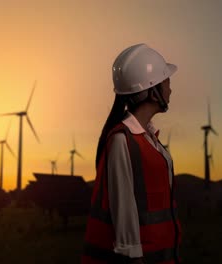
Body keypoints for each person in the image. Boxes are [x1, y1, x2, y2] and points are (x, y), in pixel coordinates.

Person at [82, 43, 181, 264]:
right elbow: (124, 211)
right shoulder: (121, 140)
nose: (171, 89)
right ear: (153, 91)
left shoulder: (148, 137)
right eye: (167, 82)